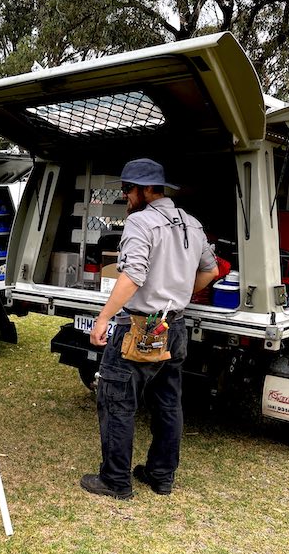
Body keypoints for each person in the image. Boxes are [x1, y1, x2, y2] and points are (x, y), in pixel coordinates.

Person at [80, 158, 219, 499]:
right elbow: (211, 271)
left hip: (139, 326)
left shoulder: (141, 223)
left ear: (144, 191)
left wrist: (102, 319)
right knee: (169, 402)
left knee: (117, 401)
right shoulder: (192, 224)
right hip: (175, 325)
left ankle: (115, 480)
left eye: (128, 190)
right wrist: (179, 293)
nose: (125, 196)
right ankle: (161, 476)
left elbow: (132, 275)